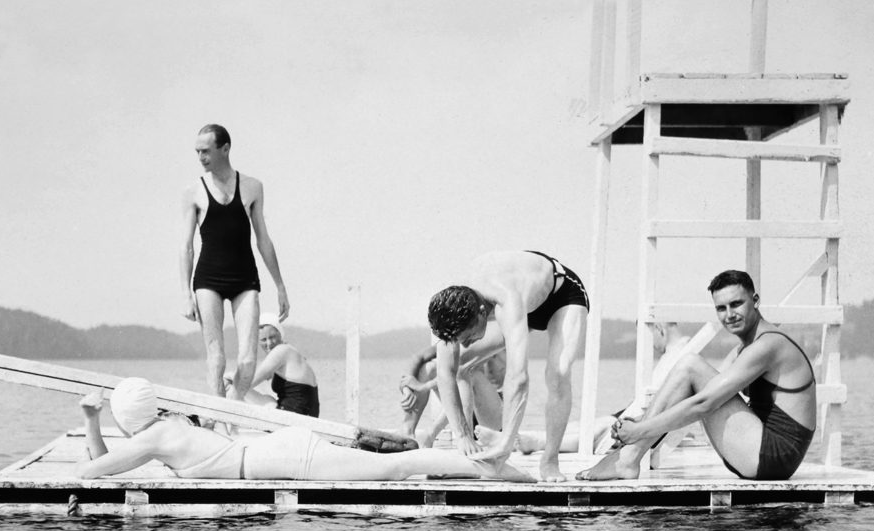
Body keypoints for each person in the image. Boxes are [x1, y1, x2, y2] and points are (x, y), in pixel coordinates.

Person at [579, 270, 816, 481]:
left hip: (774, 456)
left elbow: (705, 403)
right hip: (761, 454)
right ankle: (629, 456)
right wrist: (638, 426)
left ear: (755, 301)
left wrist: (640, 431)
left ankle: (628, 458)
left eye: (736, 304)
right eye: (721, 308)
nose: (729, 314)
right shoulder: (742, 350)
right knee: (690, 368)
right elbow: (696, 392)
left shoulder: (769, 345)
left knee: (691, 365)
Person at [72, 378, 535, 482]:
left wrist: (91, 421)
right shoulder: (168, 424)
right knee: (397, 464)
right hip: (280, 452)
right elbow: (103, 465)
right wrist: (94, 421)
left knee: (400, 465)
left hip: (286, 458)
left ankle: (502, 472)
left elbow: (93, 472)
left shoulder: (155, 437)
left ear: (127, 418)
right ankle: (495, 467)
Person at [426, 250, 589, 482]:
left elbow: (518, 376)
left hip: (561, 296)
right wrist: (462, 435)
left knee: (558, 373)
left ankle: (550, 461)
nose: (465, 343)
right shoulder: (451, 307)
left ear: (482, 313)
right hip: (523, 300)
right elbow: (446, 372)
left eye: (468, 337)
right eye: (460, 339)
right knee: (461, 363)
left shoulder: (505, 300)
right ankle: (476, 444)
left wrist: (507, 442)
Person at [181, 123, 290, 401]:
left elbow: (263, 239)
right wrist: (185, 294)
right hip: (208, 280)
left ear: (225, 149)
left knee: (247, 361)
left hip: (244, 278)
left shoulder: (253, 187)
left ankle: (230, 410)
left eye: (206, 151)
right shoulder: (193, 192)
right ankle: (223, 423)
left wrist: (280, 285)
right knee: (216, 358)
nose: (201, 157)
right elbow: (186, 247)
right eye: (197, 152)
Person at [241, 314, 320, 417]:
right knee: (263, 395)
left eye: (272, 337)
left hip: (292, 419)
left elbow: (245, 384)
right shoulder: (289, 350)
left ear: (280, 334)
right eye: (263, 340)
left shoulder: (281, 351)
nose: (269, 343)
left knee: (234, 386)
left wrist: (229, 377)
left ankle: (225, 424)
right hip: (308, 417)